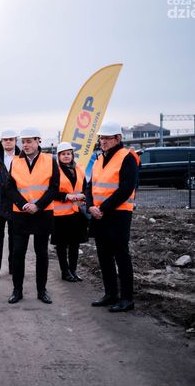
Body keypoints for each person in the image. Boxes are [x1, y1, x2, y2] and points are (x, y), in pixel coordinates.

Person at [86, 121, 138, 313]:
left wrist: (102, 208)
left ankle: (126, 298)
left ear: (118, 138)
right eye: (101, 138)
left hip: (118, 214)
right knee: (104, 256)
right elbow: (89, 186)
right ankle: (111, 294)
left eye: (107, 138)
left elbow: (126, 188)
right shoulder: (99, 159)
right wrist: (90, 206)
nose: (103, 141)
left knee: (121, 256)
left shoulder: (127, 157)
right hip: (99, 215)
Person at [5, 127, 59, 305]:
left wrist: (38, 206)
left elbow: (54, 188)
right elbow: (9, 188)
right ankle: (17, 290)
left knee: (41, 253)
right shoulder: (15, 161)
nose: (25, 145)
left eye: (29, 141)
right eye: (23, 142)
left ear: (38, 141)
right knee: (18, 253)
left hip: (42, 213)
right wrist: (23, 204)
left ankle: (42, 290)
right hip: (20, 214)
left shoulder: (50, 160)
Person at [0, 129, 21, 280]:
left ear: (15, 141)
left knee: (15, 237)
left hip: (15, 203)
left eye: (10, 139)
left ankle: (13, 266)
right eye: (5, 139)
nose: (8, 142)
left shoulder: (22, 157)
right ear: (1, 141)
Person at [51, 142, 88, 282]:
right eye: (63, 154)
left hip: (76, 213)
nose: (66, 156)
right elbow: (51, 192)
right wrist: (66, 196)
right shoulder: (55, 171)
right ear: (58, 156)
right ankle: (65, 272)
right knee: (61, 245)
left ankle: (73, 270)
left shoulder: (79, 168)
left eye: (68, 154)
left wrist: (84, 195)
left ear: (72, 155)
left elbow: (86, 187)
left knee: (75, 244)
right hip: (60, 215)